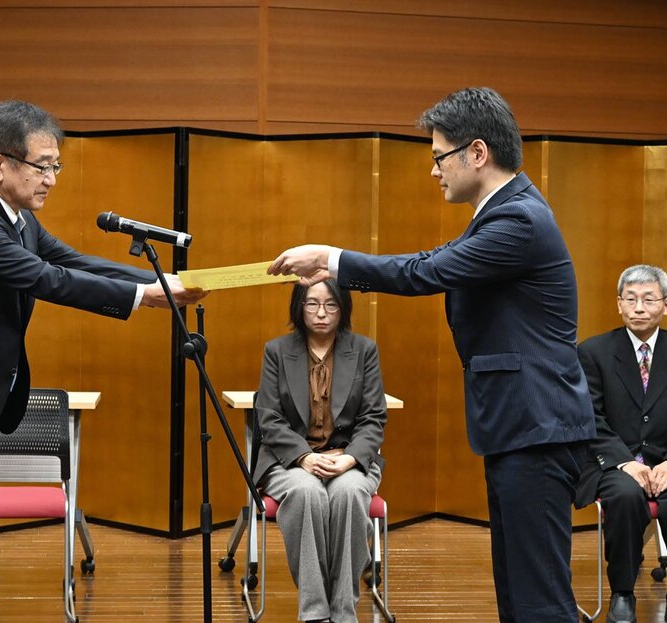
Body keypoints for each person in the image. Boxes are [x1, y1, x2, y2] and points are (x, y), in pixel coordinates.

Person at [266, 87, 596, 622]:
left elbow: (427, 272)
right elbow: (435, 259)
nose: (435, 170)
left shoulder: (519, 221)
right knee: (517, 592)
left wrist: (332, 256)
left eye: (439, 156)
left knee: (540, 602)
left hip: (537, 428)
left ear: (478, 153)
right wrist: (338, 266)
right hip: (520, 426)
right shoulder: (500, 215)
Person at [0, 100, 205, 623]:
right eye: (42, 165)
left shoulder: (18, 219)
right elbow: (45, 279)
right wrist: (143, 299)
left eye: (57, 166)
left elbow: (71, 260)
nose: (52, 178)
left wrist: (159, 281)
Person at [575, 264, 667, 623]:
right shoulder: (593, 352)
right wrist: (624, 461)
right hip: (614, 463)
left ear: (666, 305)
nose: (639, 308)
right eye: (630, 299)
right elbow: (589, 415)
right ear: (619, 304)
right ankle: (623, 594)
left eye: (649, 299)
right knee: (623, 495)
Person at [254, 279, 387, 623]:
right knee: (307, 492)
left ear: (343, 308)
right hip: (292, 462)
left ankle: (343, 612)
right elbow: (268, 417)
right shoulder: (277, 351)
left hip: (348, 457)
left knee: (348, 493)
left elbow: (373, 418)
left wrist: (347, 459)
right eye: (312, 304)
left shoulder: (364, 350)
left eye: (331, 305)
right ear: (299, 307)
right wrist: (305, 457)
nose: (321, 313)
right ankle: (314, 612)